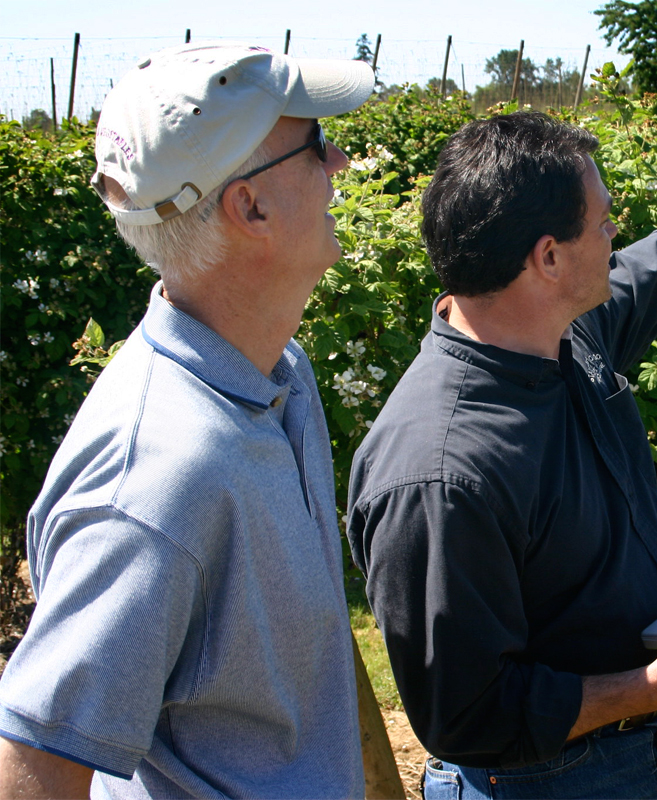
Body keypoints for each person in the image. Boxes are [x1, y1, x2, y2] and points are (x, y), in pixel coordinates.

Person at [346, 111, 657, 798]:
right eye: (601, 223)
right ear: (549, 258)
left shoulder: (561, 331)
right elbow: (466, 715)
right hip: (548, 781)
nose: (614, 235)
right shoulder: (440, 476)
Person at [0, 43, 376, 798]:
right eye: (313, 144)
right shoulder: (158, 477)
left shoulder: (277, 374)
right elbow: (35, 767)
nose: (337, 162)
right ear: (250, 207)